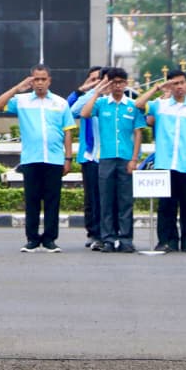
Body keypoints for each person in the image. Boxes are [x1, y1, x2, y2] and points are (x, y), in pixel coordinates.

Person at [0, 64, 76, 253]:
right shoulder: (22, 101)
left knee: (52, 201)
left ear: (49, 81)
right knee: (32, 201)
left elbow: (68, 132)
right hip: (31, 158)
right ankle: (32, 239)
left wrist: (68, 158)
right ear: (31, 80)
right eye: (36, 79)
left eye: (43, 79)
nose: (40, 83)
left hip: (54, 159)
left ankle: (49, 239)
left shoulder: (60, 103)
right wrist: (17, 88)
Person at [136, 70, 186, 254]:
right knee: (166, 205)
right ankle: (167, 241)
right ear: (169, 85)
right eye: (175, 83)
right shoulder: (160, 106)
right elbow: (139, 104)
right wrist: (157, 88)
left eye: (182, 82)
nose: (179, 87)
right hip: (164, 164)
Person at [77, 67, 145, 253]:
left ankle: (126, 239)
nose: (117, 86)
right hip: (105, 158)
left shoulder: (132, 105)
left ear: (126, 84)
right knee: (105, 201)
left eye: (121, 82)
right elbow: (84, 114)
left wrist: (134, 159)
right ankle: (108, 238)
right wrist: (96, 92)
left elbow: (138, 133)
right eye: (114, 82)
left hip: (126, 158)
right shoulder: (101, 103)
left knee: (125, 201)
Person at [68, 66, 102, 249]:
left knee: (107, 197)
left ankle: (109, 233)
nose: (97, 82)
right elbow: (69, 110)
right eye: (93, 79)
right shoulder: (85, 99)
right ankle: (93, 233)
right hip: (89, 155)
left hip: (108, 156)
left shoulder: (109, 100)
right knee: (91, 198)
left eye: (100, 79)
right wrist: (86, 90)